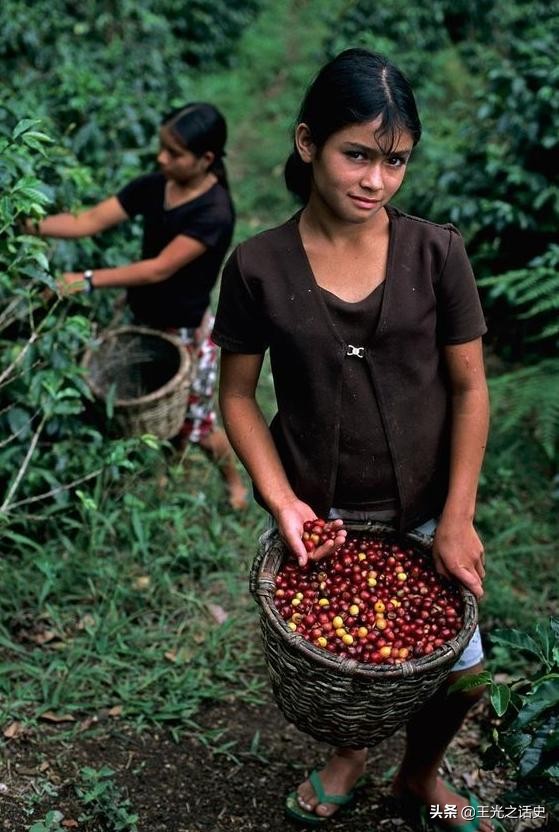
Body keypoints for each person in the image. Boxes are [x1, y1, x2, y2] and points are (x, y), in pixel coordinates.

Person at [212, 49, 494, 830]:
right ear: (307, 143)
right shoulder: (259, 267)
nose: (375, 180)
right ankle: (349, 753)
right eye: (357, 155)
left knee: (462, 669)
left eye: (394, 161)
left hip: (430, 501)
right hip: (324, 510)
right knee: (354, 667)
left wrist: (459, 516)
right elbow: (235, 397)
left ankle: (419, 773)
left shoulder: (435, 254)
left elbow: (470, 389)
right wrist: (283, 501)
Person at [30, 102, 247, 510]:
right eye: (162, 148)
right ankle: (164, 470)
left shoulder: (214, 212)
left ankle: (234, 484)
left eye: (174, 153)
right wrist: (26, 224)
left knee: (196, 424)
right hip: (142, 317)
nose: (161, 158)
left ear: (206, 160)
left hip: (184, 330)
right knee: (148, 409)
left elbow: (157, 270)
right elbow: (89, 220)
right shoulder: (154, 185)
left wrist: (86, 280)